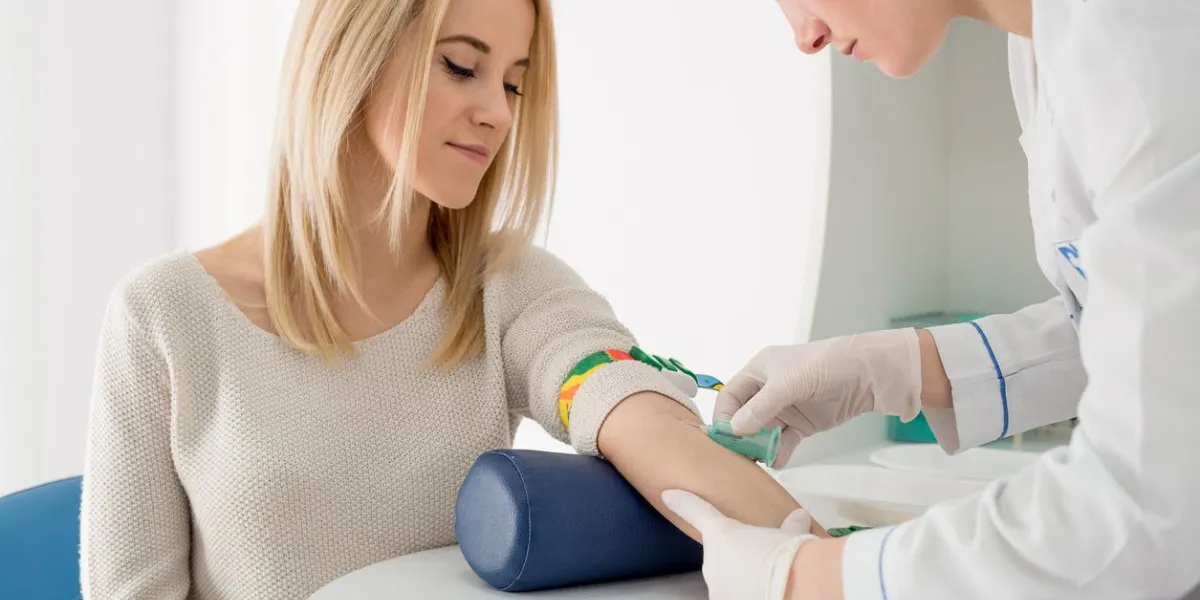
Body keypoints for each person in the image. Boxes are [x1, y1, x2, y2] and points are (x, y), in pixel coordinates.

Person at [79, 0, 806, 597]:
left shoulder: (508, 287)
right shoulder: (163, 317)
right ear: (354, 55)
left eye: (514, 82)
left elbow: (624, 403)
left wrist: (851, 568)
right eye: (462, 66)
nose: (498, 112)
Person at [663, 0, 1200, 598]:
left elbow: (1147, 504)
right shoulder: (1043, 45)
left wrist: (814, 580)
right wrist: (902, 367)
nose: (804, 36)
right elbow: (1146, 327)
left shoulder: (1147, 40)